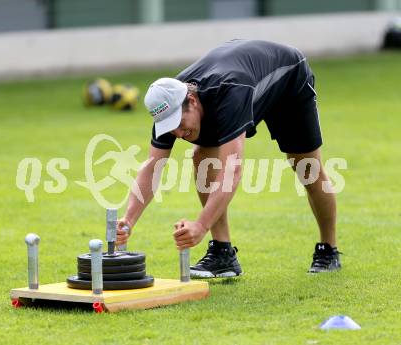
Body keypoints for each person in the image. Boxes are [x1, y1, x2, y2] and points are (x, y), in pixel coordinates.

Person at [115, 39, 341, 278]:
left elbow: (232, 170)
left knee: (307, 168)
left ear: (191, 101)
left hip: (288, 80)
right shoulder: (167, 103)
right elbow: (152, 167)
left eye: (180, 124)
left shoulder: (230, 90)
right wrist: (128, 221)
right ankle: (223, 253)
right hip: (244, 81)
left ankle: (328, 250)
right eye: (171, 129)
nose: (179, 134)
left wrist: (200, 225)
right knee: (202, 156)